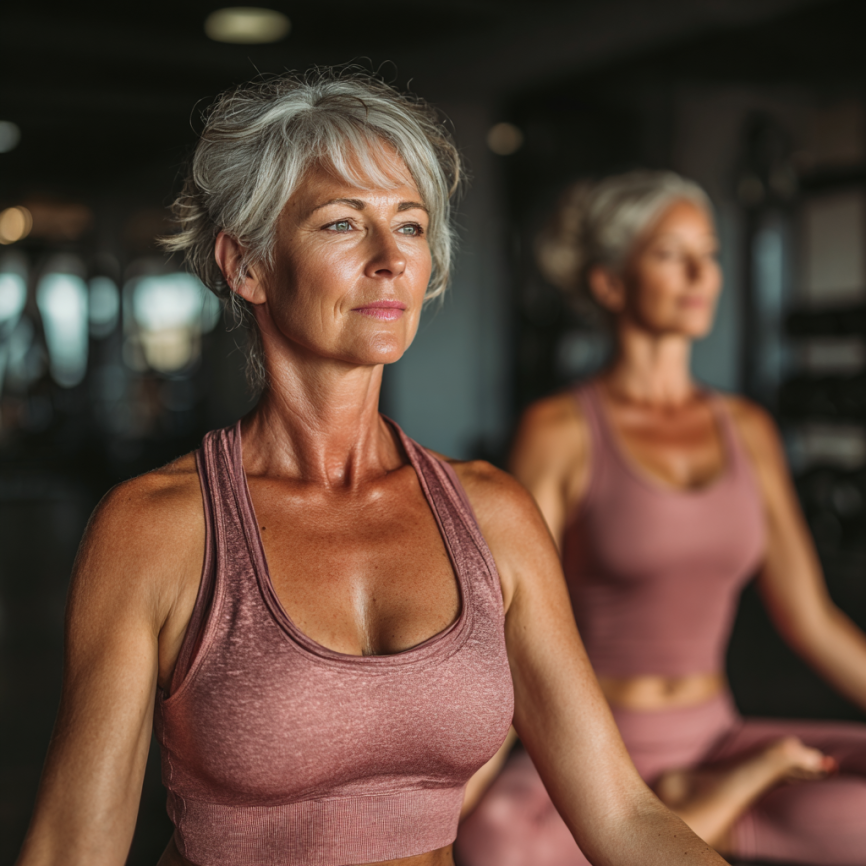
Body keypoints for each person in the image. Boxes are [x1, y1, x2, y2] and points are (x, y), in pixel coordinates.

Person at [15, 75, 726, 866]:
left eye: (411, 226)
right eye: (343, 223)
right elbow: (73, 845)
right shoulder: (156, 529)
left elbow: (624, 815)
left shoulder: (493, 514)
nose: (391, 260)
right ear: (247, 265)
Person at [457, 170, 866, 866]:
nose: (701, 275)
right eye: (672, 255)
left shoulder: (749, 430)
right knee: (500, 839)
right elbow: (507, 626)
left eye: (708, 254)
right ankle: (719, 804)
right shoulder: (559, 430)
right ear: (610, 283)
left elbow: (811, 618)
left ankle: (699, 804)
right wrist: (459, 786)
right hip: (598, 752)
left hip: (717, 735)